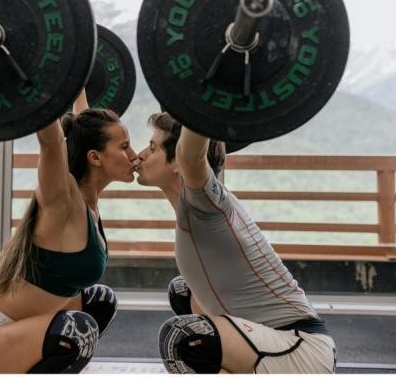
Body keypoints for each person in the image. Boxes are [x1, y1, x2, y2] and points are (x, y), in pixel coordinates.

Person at [0, 92, 138, 374]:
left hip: (22, 336)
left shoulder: (89, 203)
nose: (134, 154)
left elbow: (80, 123)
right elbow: (52, 141)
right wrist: (41, 83)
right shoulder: (63, 203)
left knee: (100, 301)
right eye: (125, 147)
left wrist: (76, 80)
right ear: (95, 157)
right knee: (77, 331)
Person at [136, 112, 337, 374]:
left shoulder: (208, 205)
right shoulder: (198, 205)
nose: (140, 154)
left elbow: (190, 154)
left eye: (152, 148)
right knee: (183, 291)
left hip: (299, 348)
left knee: (184, 335)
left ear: (178, 163)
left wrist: (201, 96)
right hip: (270, 342)